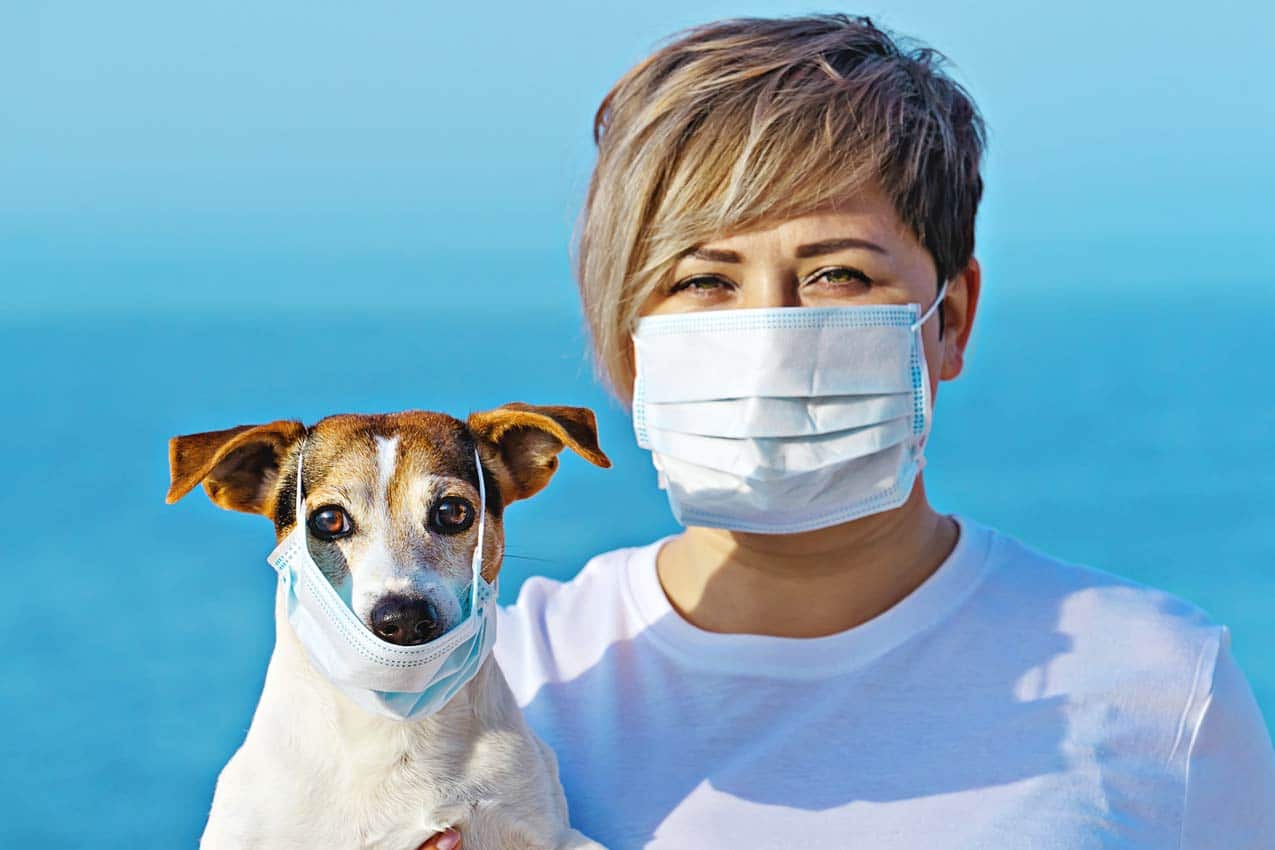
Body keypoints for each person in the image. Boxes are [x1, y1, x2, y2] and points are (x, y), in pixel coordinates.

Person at [420, 14, 1275, 849]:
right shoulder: (481, 680)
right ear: (625, 340)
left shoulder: (1158, 684)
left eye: (838, 273)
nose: (769, 337)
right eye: (703, 282)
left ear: (951, 320)